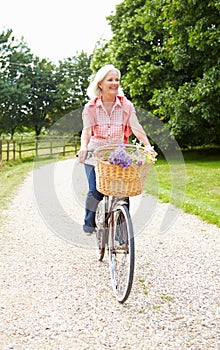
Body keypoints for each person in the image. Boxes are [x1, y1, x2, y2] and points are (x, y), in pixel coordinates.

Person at [77, 64, 154, 235]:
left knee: (122, 193)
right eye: (110, 80)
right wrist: (83, 148)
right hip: (95, 154)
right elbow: (87, 131)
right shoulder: (90, 107)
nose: (114, 83)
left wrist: (147, 146)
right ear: (100, 84)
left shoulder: (126, 105)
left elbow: (136, 127)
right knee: (95, 190)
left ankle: (122, 234)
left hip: (118, 154)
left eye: (117, 80)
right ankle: (89, 222)